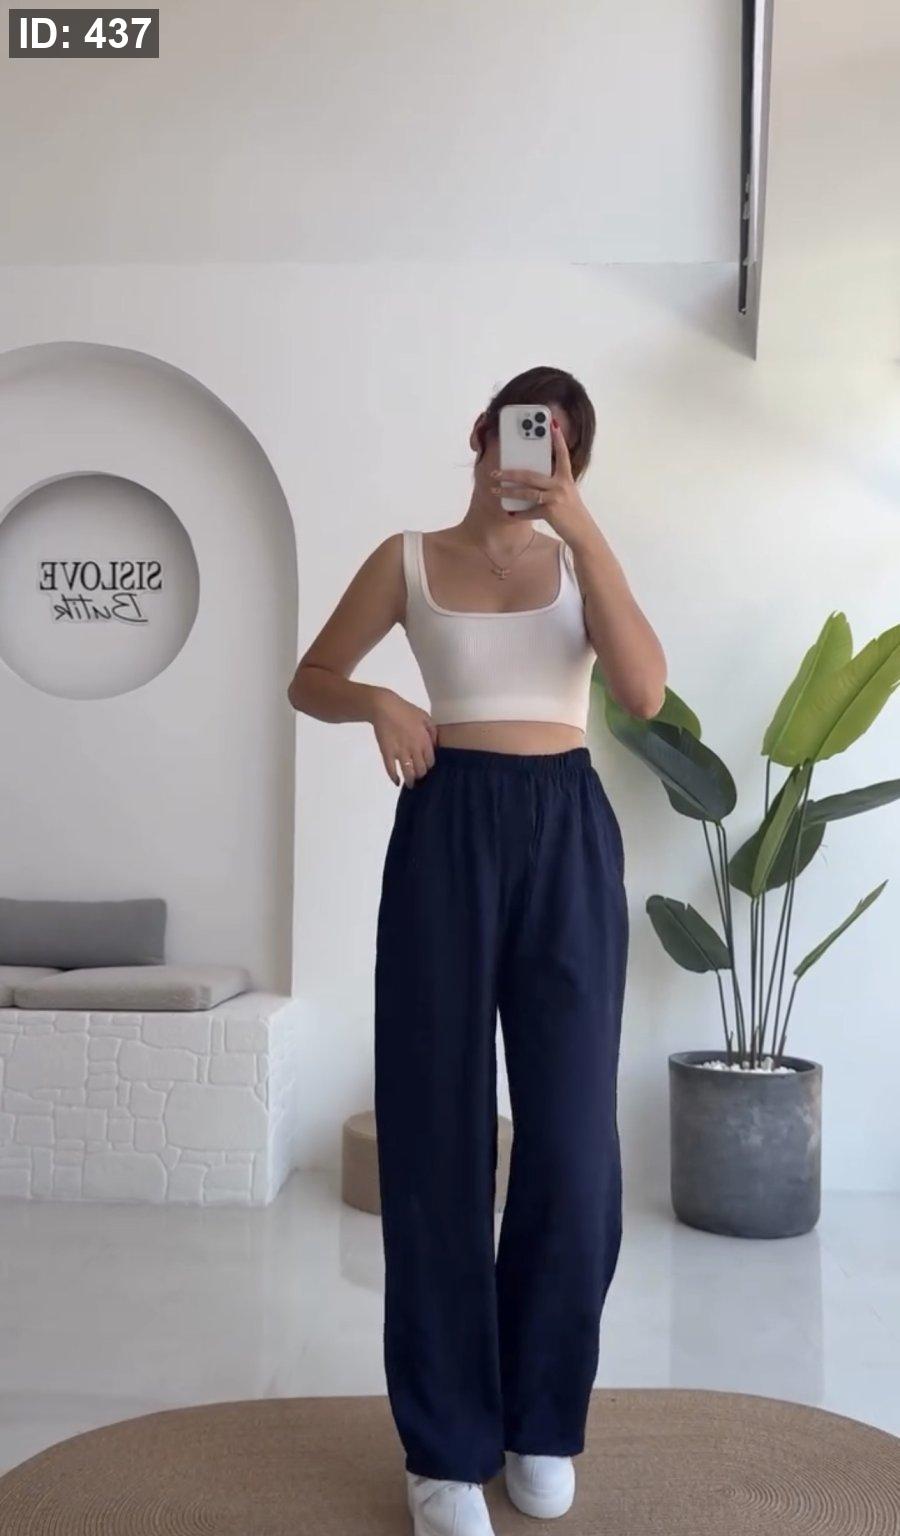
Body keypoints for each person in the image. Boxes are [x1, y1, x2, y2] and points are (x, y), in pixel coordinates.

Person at [288, 366, 667, 1536]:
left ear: (575, 462)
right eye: (524, 432)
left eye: (562, 446)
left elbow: (645, 692)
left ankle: (540, 1421)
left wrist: (582, 530)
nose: (537, 457)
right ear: (480, 434)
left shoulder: (582, 564)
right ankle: (446, 1448)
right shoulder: (405, 559)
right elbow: (310, 678)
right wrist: (380, 705)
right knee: (435, 1133)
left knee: (574, 1144)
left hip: (565, 833)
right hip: (446, 828)